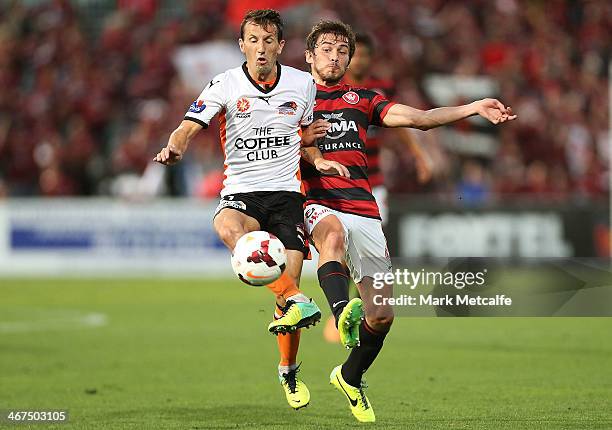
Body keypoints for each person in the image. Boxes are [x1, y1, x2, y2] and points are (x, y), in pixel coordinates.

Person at [300, 20, 516, 422]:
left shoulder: (363, 98)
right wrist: (302, 141)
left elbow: (421, 119)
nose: (335, 55)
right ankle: (342, 310)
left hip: (363, 207)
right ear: (309, 55)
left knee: (382, 316)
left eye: (342, 50)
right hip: (319, 200)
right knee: (329, 239)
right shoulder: (291, 97)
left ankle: (350, 375)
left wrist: (472, 107)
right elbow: (264, 142)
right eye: (326, 48)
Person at [154, 9, 348, 411]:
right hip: (242, 192)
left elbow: (306, 137)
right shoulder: (224, 84)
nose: (261, 48)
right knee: (227, 226)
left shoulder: (301, 85)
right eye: (253, 40)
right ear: (241, 45)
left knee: (286, 297)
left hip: (287, 197)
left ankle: (288, 370)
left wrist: (318, 158)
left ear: (280, 45)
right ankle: (296, 298)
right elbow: (187, 125)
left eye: (268, 40)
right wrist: (176, 146)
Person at [322, 31, 433, 344]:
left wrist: (418, 155)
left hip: (373, 181)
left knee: (365, 248)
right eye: (355, 55)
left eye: (364, 56)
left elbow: (400, 127)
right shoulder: (321, 90)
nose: (360, 61)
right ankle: (341, 313)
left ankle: (365, 307)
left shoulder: (378, 90)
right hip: (334, 182)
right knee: (339, 245)